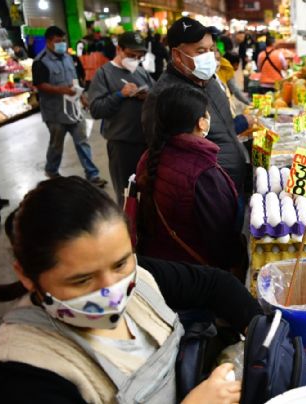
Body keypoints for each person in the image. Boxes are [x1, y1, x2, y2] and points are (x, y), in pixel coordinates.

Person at [0, 176, 261, 403]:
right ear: (27, 276)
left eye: (121, 263)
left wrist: (262, 332)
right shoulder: (18, 375)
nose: (112, 291)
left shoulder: (138, 275)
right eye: (82, 281)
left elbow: (214, 284)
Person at [136, 85, 246, 278]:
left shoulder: (150, 156)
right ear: (201, 123)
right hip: (194, 272)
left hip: (156, 264)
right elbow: (221, 236)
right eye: (206, 113)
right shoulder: (202, 171)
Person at [142, 17, 253, 198]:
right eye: (201, 51)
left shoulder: (208, 79)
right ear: (177, 55)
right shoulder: (165, 96)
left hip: (233, 183)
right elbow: (165, 157)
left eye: (211, 49)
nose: (209, 56)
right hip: (207, 194)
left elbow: (222, 127)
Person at [32, 26, 107, 186]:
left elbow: (76, 81)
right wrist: (60, 90)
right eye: (58, 41)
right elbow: (40, 85)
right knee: (56, 145)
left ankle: (92, 175)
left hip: (74, 110)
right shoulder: (40, 61)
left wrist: (83, 98)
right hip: (55, 113)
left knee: (82, 141)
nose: (61, 44)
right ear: (49, 42)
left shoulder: (68, 58)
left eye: (63, 41)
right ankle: (51, 170)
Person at [88, 32, 154, 204]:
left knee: (148, 190)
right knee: (127, 194)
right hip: (122, 145)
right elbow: (95, 109)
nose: (135, 59)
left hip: (146, 141)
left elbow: (157, 93)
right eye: (131, 55)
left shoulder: (141, 72)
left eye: (139, 56)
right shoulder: (104, 74)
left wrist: (148, 96)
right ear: (119, 49)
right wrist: (119, 95)